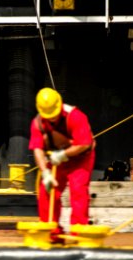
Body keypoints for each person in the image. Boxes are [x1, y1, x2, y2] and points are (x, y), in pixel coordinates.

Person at [29, 87, 96, 242]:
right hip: (55, 160)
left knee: (78, 190)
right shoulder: (37, 123)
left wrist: (64, 155)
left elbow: (85, 144)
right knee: (46, 189)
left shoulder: (75, 116)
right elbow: (37, 149)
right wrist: (45, 173)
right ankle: (50, 230)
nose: (51, 118)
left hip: (80, 159)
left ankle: (78, 232)